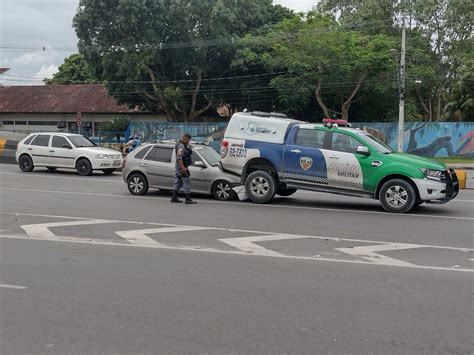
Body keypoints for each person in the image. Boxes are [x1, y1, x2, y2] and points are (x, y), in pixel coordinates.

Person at [171, 133, 197, 204]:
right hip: (181, 167)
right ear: (185, 138)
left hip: (180, 167)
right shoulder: (181, 146)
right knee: (187, 181)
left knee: (179, 182)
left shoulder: (183, 145)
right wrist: (182, 168)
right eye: (188, 140)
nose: (189, 142)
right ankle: (187, 199)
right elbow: (179, 158)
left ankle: (174, 197)